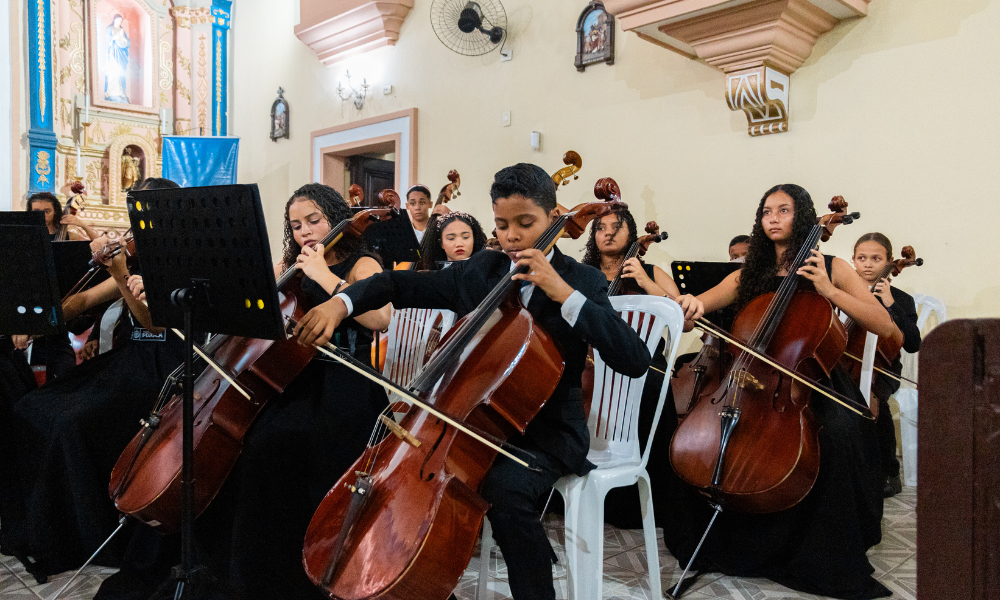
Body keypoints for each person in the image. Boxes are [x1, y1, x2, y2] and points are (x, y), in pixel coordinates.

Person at [293, 163, 652, 600]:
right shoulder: (482, 270)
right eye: (502, 225)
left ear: (551, 217)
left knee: (504, 491)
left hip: (544, 433)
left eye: (525, 223)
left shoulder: (584, 281)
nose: (513, 237)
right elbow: (397, 284)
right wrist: (342, 303)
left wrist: (564, 294)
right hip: (469, 422)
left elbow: (633, 360)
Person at [97, 183, 392, 600]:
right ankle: (247, 571)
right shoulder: (287, 264)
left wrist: (323, 275)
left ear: (335, 217)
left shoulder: (361, 264)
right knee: (245, 450)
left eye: (314, 220)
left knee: (273, 445)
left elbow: (379, 318)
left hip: (345, 385)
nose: (306, 231)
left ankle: (302, 569)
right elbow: (251, 308)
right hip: (288, 380)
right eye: (296, 224)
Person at [665, 184, 901, 599]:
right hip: (751, 381)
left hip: (810, 380)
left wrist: (829, 290)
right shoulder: (748, 272)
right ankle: (725, 535)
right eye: (767, 211)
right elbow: (692, 313)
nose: (773, 218)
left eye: (784, 210)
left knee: (841, 431)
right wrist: (687, 305)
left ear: (804, 217)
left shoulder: (834, 266)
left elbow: (886, 327)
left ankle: (821, 550)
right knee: (707, 430)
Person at [1, 178, 186, 580]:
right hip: (126, 361)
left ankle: (86, 535)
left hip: (162, 368)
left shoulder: (183, 257)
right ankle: (37, 528)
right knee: (33, 406)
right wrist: (37, 319)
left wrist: (121, 272)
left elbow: (153, 323)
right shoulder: (134, 254)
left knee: (70, 422)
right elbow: (84, 300)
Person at [851, 232, 921, 497]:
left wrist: (890, 303)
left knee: (873, 400)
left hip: (883, 368)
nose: (868, 264)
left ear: (889, 262)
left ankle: (889, 470)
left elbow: (913, 343)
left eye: (876, 259)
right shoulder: (843, 290)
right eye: (862, 258)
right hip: (844, 363)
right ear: (853, 260)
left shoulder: (901, 299)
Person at [581, 203, 680, 298]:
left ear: (630, 234)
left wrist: (647, 282)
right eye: (601, 228)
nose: (608, 232)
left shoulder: (653, 273)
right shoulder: (584, 275)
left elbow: (679, 311)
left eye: (616, 227)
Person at [416, 210, 488, 270]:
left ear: (474, 239)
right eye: (451, 238)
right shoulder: (433, 276)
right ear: (441, 243)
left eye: (466, 237)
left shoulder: (484, 271)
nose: (459, 244)